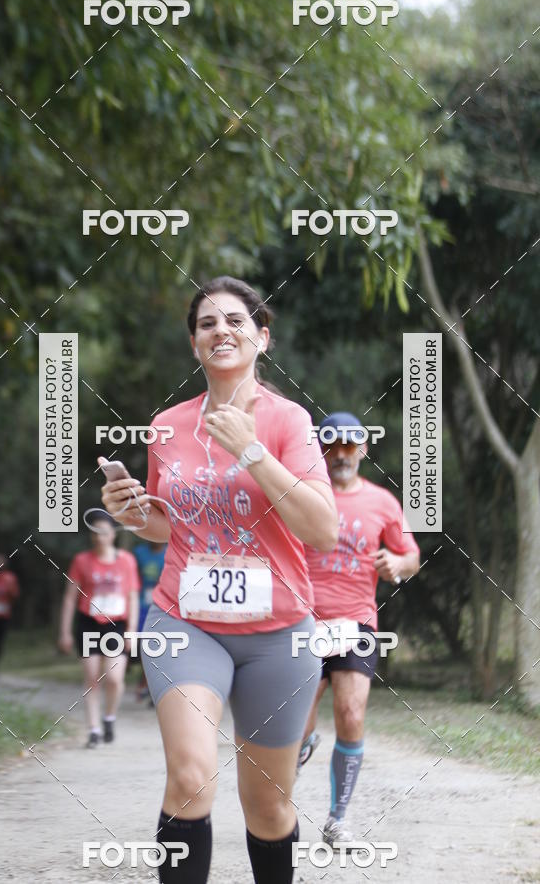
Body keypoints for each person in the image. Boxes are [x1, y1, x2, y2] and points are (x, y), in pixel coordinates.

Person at [100, 276, 338, 884]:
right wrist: (131, 510)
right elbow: (166, 523)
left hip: (279, 634)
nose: (220, 330)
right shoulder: (167, 423)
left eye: (236, 320)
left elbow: (322, 531)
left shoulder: (288, 421)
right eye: (207, 323)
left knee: (267, 805)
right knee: (189, 774)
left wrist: (254, 452)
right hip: (185, 622)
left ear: (263, 338)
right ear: (193, 344)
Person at [298, 411, 420, 846]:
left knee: (351, 714)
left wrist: (397, 565)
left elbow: (411, 555)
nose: (341, 453)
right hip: (302, 621)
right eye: (331, 445)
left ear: (364, 449)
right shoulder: (302, 495)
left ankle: (337, 819)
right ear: (320, 449)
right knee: (296, 720)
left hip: (356, 621)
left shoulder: (382, 502)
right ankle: (303, 739)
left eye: (350, 445)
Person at [58, 514, 140, 748]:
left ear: (113, 534)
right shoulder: (81, 560)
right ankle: (93, 730)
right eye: (95, 531)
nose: (99, 536)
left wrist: (132, 630)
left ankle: (109, 717)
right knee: (92, 678)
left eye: (104, 531)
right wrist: (65, 631)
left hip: (116, 624)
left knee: (114, 678)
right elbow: (69, 598)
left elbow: (132, 596)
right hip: (89, 622)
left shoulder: (126, 561)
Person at [133, 539, 167, 701]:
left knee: (161, 645)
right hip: (142, 604)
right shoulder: (139, 553)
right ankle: (145, 679)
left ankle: (152, 684)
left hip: (164, 604)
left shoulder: (170, 550)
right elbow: (134, 578)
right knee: (143, 644)